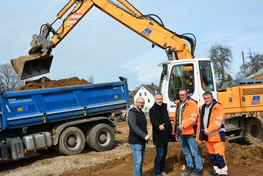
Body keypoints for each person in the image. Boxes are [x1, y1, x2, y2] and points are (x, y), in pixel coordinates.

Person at [196, 91, 228, 176]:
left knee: (219, 156)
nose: (206, 100)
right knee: (212, 156)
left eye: (208, 98)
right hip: (208, 137)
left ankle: (223, 173)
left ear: (212, 98)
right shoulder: (202, 108)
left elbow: (218, 122)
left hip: (217, 136)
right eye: (205, 98)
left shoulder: (218, 108)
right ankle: (217, 171)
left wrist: (209, 130)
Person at [172, 89, 203, 176]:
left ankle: (199, 170)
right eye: (180, 95)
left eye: (183, 94)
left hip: (190, 133)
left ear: (187, 94)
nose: (182, 96)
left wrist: (184, 125)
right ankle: (190, 168)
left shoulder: (192, 103)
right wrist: (177, 132)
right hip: (182, 133)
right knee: (186, 152)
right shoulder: (179, 104)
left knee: (195, 152)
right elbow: (177, 119)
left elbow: (194, 118)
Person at [149, 93, 174, 176]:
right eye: (158, 99)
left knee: (164, 154)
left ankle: (162, 170)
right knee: (160, 155)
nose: (160, 100)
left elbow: (167, 119)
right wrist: (158, 125)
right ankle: (157, 173)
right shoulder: (153, 110)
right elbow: (153, 120)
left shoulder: (163, 107)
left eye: (161, 99)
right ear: (155, 100)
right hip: (159, 136)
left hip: (165, 135)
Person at [128, 97, 151, 176]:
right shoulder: (132, 112)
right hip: (135, 141)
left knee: (141, 161)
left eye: (142, 103)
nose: (141, 104)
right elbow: (133, 126)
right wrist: (144, 135)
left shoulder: (141, 113)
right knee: (138, 161)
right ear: (135, 102)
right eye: (139, 102)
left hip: (142, 141)